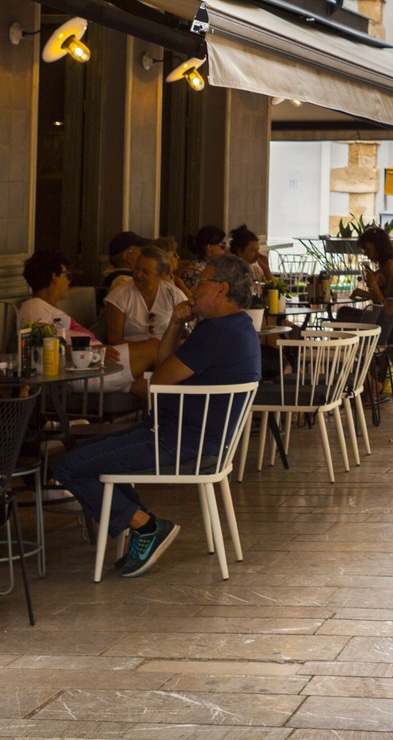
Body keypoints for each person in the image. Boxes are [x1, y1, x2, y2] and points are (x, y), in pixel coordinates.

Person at [53, 253, 263, 576]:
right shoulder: (238, 327)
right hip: (198, 441)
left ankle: (147, 526)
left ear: (221, 290)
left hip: (177, 442)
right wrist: (176, 323)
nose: (193, 289)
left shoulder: (215, 333)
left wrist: (176, 342)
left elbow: (159, 381)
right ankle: (144, 524)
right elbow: (163, 364)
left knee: (70, 465)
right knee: (88, 457)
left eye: (200, 282)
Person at [20, 248, 134, 392]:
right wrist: (92, 351)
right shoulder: (34, 307)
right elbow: (44, 349)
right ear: (55, 277)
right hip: (83, 371)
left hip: (93, 365)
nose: (68, 280)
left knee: (148, 380)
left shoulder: (50, 309)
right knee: (155, 348)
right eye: (66, 275)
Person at [104, 246, 185, 353]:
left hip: (168, 353)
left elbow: (186, 333)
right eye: (137, 268)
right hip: (131, 353)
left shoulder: (175, 295)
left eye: (146, 272)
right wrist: (148, 349)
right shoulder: (119, 295)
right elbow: (114, 340)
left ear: (160, 276)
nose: (138, 275)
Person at [101, 230, 148, 294]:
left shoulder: (112, 276)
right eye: (142, 252)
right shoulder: (122, 280)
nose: (147, 257)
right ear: (127, 256)